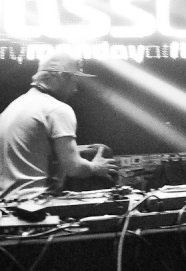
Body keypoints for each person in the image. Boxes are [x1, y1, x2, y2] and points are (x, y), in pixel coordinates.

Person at [0, 50, 119, 200]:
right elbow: (74, 168)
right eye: (74, 82)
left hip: (6, 204)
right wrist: (96, 167)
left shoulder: (12, 108)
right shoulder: (56, 109)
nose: (75, 89)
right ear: (60, 76)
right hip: (36, 205)